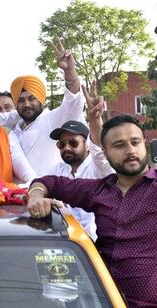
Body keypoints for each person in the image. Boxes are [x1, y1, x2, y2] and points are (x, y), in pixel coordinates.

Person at [27, 115, 157, 308]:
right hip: (104, 302)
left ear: (144, 144)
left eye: (135, 142)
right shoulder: (98, 190)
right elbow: (50, 182)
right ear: (105, 152)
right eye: (119, 145)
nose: (130, 150)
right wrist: (36, 194)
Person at [0, 39, 86, 177]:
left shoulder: (53, 119)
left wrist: (69, 71)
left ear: (42, 99)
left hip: (50, 194)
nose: (26, 104)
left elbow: (73, 101)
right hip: (17, 195)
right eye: (20, 100)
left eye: (32, 99)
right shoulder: (14, 124)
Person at [46, 82, 114, 241]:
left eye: (73, 142)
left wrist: (95, 120)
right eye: (62, 144)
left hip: (97, 246)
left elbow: (99, 149)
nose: (66, 148)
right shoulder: (57, 170)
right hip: (65, 243)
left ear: (87, 145)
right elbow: (40, 184)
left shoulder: (99, 168)